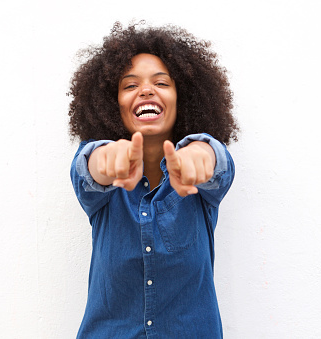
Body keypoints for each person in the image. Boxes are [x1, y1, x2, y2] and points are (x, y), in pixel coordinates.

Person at [68, 22, 239, 339]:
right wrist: (104, 161)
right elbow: (89, 168)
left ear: (183, 98)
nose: (146, 90)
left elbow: (216, 163)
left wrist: (201, 154)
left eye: (161, 82)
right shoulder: (101, 178)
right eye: (129, 86)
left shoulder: (200, 177)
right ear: (111, 104)